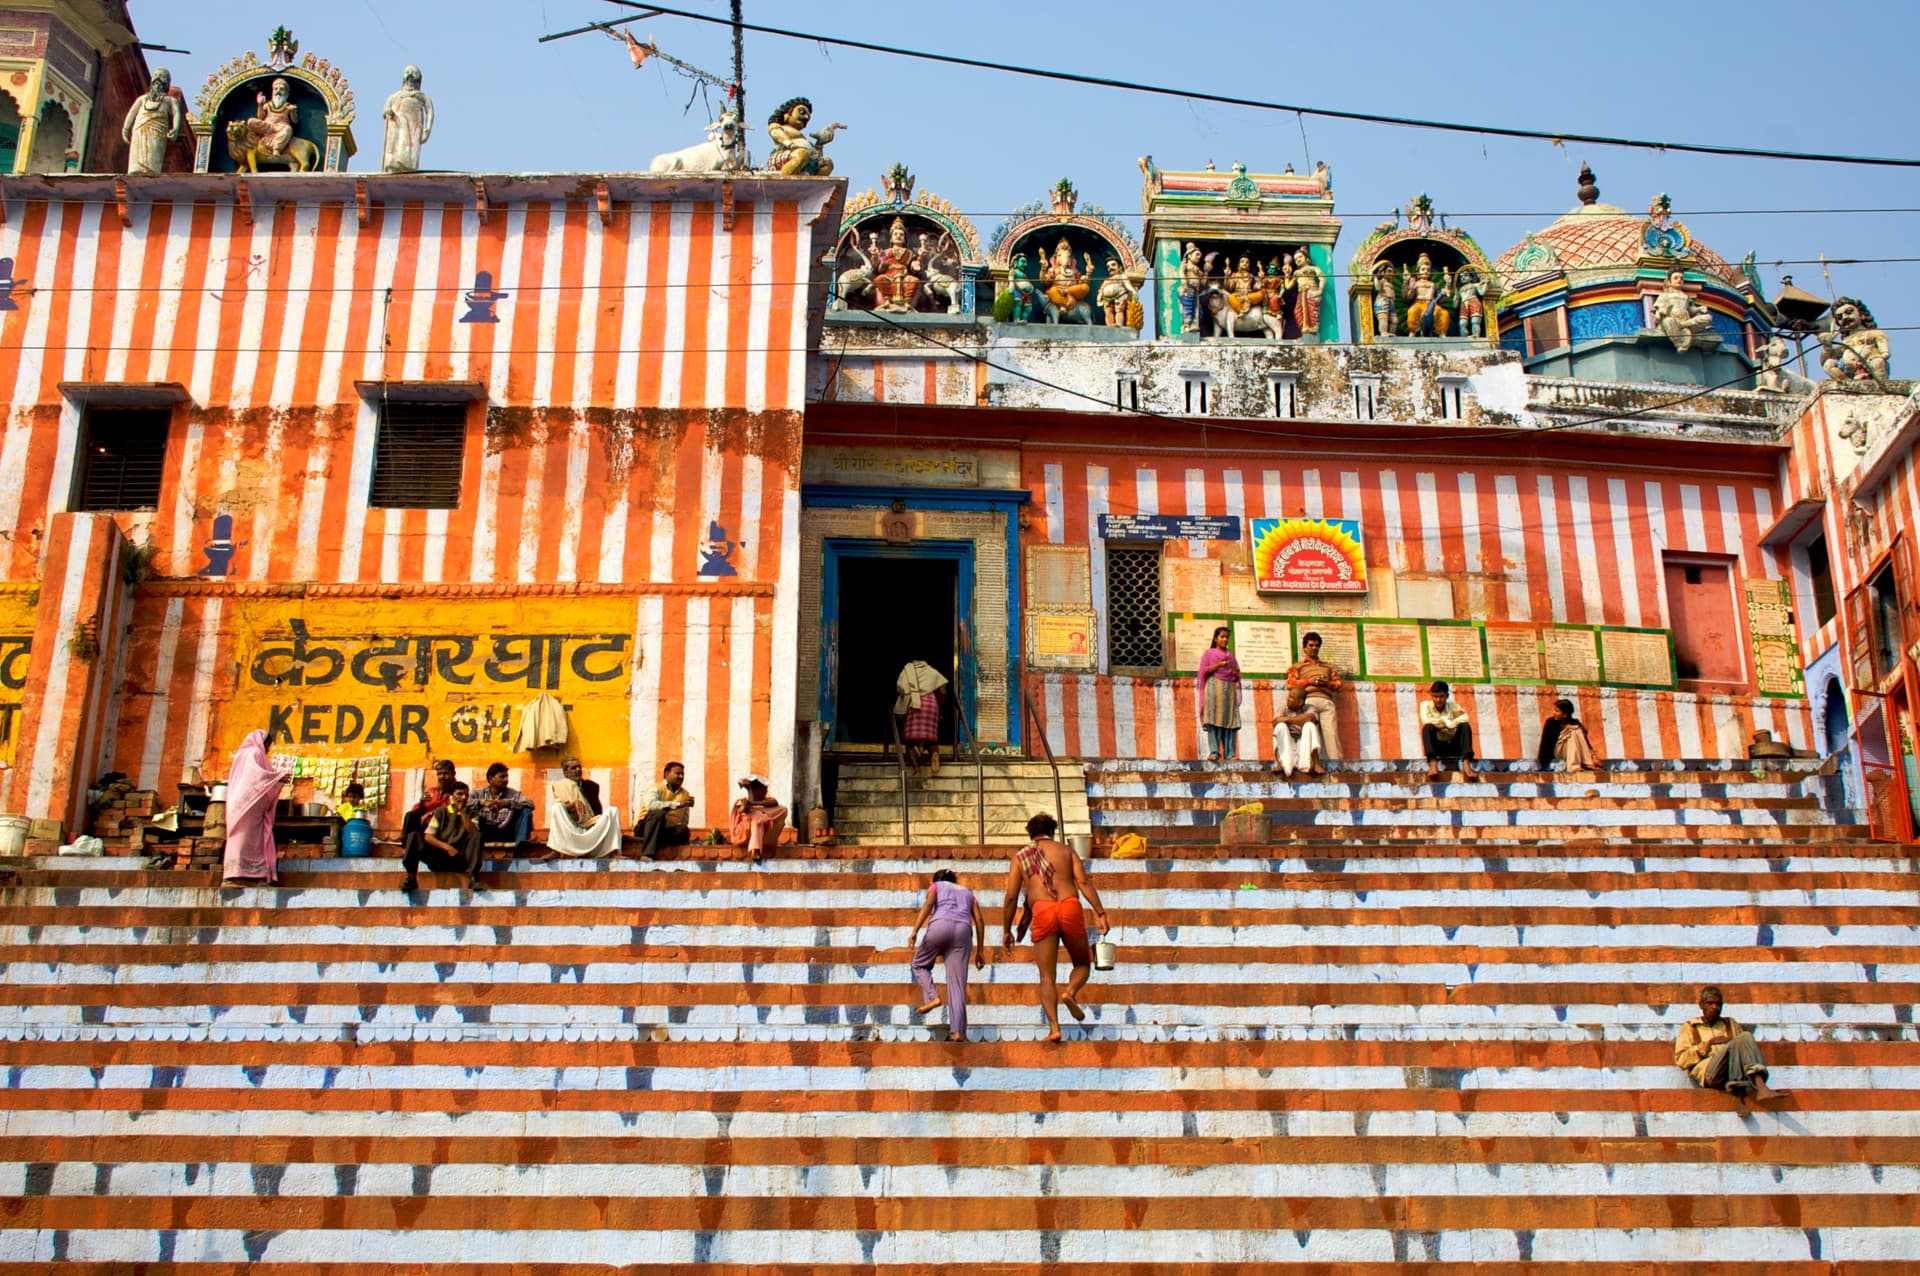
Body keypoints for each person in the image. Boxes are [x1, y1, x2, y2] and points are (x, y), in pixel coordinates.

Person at [1000, 813, 1111, 1044]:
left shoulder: (1021, 857)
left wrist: (1006, 929)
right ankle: (1070, 991)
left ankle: (1054, 1028)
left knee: (1046, 977)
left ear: (1031, 834)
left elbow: (1011, 897)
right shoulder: (1067, 851)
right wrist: (1100, 912)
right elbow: (1083, 882)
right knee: (1082, 964)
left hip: (1042, 910)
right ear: (1052, 831)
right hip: (1069, 906)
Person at [907, 868, 987, 1042]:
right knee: (957, 985)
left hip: (940, 925)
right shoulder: (968, 892)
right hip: (963, 931)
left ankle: (933, 996)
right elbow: (979, 920)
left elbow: (928, 905)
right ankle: (957, 1032)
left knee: (920, 964)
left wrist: (914, 931)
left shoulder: (936, 886)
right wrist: (980, 950)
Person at [1675, 986, 1780, 1104]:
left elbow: (1743, 1051)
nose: (1715, 1007)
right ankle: (1751, 1091)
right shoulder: (1690, 1027)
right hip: (1710, 1073)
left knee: (1745, 1037)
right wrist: (1707, 1045)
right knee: (1736, 1043)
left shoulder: (1730, 1023)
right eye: (1710, 1003)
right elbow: (1681, 1060)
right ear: (1701, 1005)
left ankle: (1758, 1086)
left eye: (1718, 1004)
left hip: (1732, 1073)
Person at [221, 730, 292, 885]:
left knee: (251, 840)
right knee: (244, 838)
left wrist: (276, 778)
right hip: (249, 804)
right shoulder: (254, 753)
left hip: (246, 805)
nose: (268, 749)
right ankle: (236, 874)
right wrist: (278, 776)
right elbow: (257, 775)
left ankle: (250, 875)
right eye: (268, 745)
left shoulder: (243, 754)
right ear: (263, 741)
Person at [402, 780, 482, 892]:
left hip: (460, 859)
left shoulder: (472, 813)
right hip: (439, 856)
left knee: (477, 835)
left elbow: (473, 832)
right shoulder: (441, 812)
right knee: (414, 836)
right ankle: (411, 878)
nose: (464, 797)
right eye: (460, 794)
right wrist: (447, 848)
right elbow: (429, 837)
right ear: (451, 796)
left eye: (466, 795)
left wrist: (461, 812)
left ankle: (473, 878)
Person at [547, 757, 622, 858]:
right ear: (566, 773)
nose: (578, 770)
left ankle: (614, 853)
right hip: (572, 827)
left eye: (579, 767)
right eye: (574, 768)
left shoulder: (591, 786)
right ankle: (555, 851)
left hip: (591, 825)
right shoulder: (560, 786)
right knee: (557, 807)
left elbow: (596, 812)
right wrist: (572, 805)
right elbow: (562, 808)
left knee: (613, 810)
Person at [1285, 632, 1343, 762]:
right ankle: (1310, 764)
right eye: (1311, 645)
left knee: (1332, 735)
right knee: (1311, 734)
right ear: (1304, 648)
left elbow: (1338, 684)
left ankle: (1338, 765)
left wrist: (1327, 683)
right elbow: (1290, 684)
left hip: (1326, 701)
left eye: (1317, 646)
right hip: (1309, 702)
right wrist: (1308, 681)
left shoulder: (1328, 667)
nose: (1314, 648)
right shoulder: (1297, 667)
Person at [1196, 626, 1242, 762]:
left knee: (1230, 722)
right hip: (1213, 688)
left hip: (1229, 691)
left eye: (1227, 637)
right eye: (1222, 636)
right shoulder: (1209, 654)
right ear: (1216, 638)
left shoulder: (1231, 656)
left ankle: (1230, 753)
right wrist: (1219, 665)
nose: (1225, 639)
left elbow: (1237, 677)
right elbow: (1203, 672)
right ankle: (1214, 752)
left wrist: (1234, 673)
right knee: (1213, 720)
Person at [895, 660, 949, 775]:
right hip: (931, 704)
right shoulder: (931, 671)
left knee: (909, 741)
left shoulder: (906, 671)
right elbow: (943, 689)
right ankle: (934, 754)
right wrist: (940, 708)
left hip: (914, 705)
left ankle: (916, 770)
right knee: (930, 739)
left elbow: (900, 689)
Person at [635, 761, 695, 860]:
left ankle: (659, 844)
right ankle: (647, 854)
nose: (681, 777)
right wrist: (676, 804)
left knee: (683, 830)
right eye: (678, 773)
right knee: (658, 813)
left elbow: (684, 819)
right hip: (646, 827)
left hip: (664, 831)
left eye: (682, 774)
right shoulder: (655, 788)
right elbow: (651, 805)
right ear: (667, 774)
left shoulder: (685, 794)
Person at [1420, 680, 1476, 778]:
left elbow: (1464, 717)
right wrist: (1451, 720)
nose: (1438, 700)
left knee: (1465, 726)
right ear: (1431, 696)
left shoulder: (1454, 706)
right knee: (1427, 728)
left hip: (1453, 746)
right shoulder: (1425, 705)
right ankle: (1433, 764)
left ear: (1447, 696)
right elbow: (1426, 720)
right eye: (1435, 696)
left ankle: (1466, 764)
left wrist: (1444, 723)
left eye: (1441, 696)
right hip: (1437, 747)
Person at [729, 774, 788, 863]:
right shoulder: (742, 801)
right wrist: (748, 804)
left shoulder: (766, 801)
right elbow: (742, 809)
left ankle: (762, 817)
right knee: (756, 821)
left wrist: (755, 803)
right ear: (754, 790)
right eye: (763, 789)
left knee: (783, 809)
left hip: (764, 825)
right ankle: (756, 850)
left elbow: (775, 803)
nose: (765, 791)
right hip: (744, 831)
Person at [473, 761, 533, 847]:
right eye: (502, 777)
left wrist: (506, 803)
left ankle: (520, 847)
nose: (506, 780)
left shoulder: (513, 794)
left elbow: (530, 804)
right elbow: (465, 802)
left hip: (507, 831)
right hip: (484, 831)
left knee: (526, 811)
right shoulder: (478, 793)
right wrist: (482, 803)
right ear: (490, 779)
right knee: (468, 810)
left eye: (506, 776)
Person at [1270, 687, 1325, 778]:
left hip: (1303, 744)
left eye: (1291, 698)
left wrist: (1287, 719)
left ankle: (1316, 763)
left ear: (1299, 702)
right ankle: (1280, 763)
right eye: (1289, 696)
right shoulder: (1283, 707)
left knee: (1310, 725)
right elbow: (1276, 721)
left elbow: (1310, 718)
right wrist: (1298, 720)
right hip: (1289, 743)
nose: (1288, 699)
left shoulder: (1311, 708)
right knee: (1280, 727)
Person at [1537, 698, 1598, 772]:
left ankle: (1580, 763)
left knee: (1576, 730)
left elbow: (1585, 742)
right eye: (1554, 710)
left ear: (1565, 714)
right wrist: (1545, 763)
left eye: (1557, 711)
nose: (1553, 713)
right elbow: (1545, 744)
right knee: (1572, 731)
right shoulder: (1550, 723)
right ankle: (1573, 766)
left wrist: (1592, 754)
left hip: (1573, 755)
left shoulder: (1575, 723)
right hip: (1557, 756)